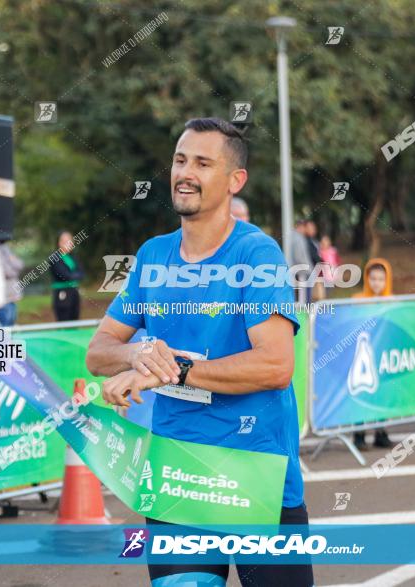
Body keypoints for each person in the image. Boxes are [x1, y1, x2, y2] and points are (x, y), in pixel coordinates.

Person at [86, 117, 313, 586]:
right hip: (177, 475)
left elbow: (275, 365)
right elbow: (99, 351)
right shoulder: (153, 255)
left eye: (203, 163)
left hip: (256, 472)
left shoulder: (256, 254)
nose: (185, 172)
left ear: (235, 181)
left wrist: (171, 372)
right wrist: (137, 357)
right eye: (180, 159)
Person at [351, 258, 393, 449]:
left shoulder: (392, 302)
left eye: (381, 279)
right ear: (367, 279)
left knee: (382, 394)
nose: (376, 283)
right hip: (363, 356)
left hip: (383, 355)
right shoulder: (357, 301)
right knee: (362, 393)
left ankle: (381, 433)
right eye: (373, 278)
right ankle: (359, 435)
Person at [51, 231, 84, 321]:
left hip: (74, 291)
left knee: (75, 317)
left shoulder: (73, 257)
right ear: (59, 242)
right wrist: (74, 276)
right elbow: (64, 275)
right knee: (64, 318)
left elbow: (82, 273)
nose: (67, 244)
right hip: (62, 292)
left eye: (69, 241)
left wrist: (73, 276)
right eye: (64, 241)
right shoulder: (55, 258)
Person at [288, 219, 314, 303]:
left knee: (301, 298)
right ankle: (302, 314)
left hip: (298, 272)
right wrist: (309, 269)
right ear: (301, 227)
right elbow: (299, 257)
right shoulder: (298, 238)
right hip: (300, 273)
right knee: (302, 299)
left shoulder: (294, 237)